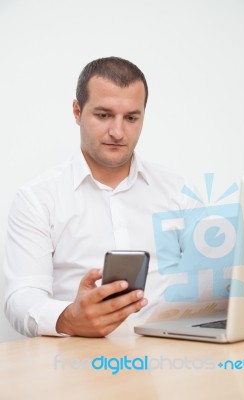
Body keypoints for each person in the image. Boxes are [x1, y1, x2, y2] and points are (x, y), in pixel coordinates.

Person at [4, 56, 198, 338]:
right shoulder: (37, 198)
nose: (118, 132)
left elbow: (211, 282)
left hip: (168, 357)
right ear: (77, 111)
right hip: (76, 361)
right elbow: (21, 297)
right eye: (103, 115)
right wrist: (68, 318)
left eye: (131, 118)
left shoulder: (179, 191)